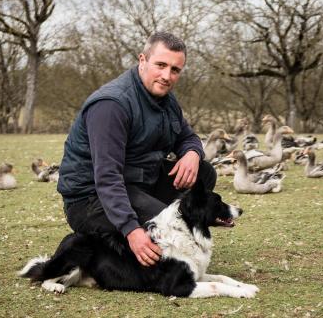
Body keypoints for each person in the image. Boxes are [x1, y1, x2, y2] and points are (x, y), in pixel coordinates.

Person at [57, 32, 214, 267]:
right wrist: (132, 230)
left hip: (137, 183)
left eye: (175, 70)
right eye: (160, 65)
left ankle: (162, 232)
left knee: (203, 173)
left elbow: (187, 137)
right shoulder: (112, 105)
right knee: (167, 226)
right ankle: (121, 242)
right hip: (91, 198)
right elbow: (108, 177)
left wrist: (192, 153)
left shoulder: (166, 100)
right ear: (142, 60)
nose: (166, 76)